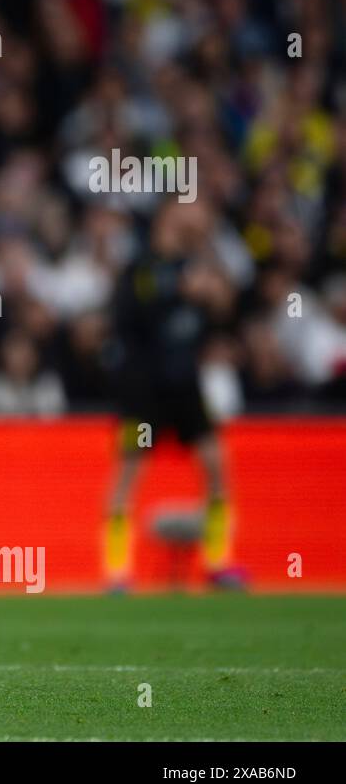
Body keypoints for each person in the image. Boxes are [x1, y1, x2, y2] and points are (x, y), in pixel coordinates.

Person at [104, 201, 246, 591]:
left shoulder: (197, 266)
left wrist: (216, 296)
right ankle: (117, 572)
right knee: (128, 474)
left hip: (185, 385)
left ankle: (219, 563)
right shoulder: (143, 267)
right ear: (170, 220)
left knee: (216, 465)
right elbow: (130, 314)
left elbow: (225, 310)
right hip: (144, 390)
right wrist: (180, 292)